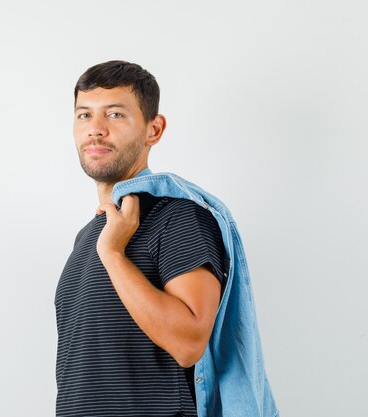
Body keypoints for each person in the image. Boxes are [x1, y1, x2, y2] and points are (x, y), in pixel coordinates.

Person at [55, 60, 277, 417]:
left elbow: (189, 342)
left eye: (114, 115)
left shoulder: (178, 216)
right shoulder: (89, 235)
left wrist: (113, 254)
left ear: (153, 130)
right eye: (84, 115)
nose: (95, 129)